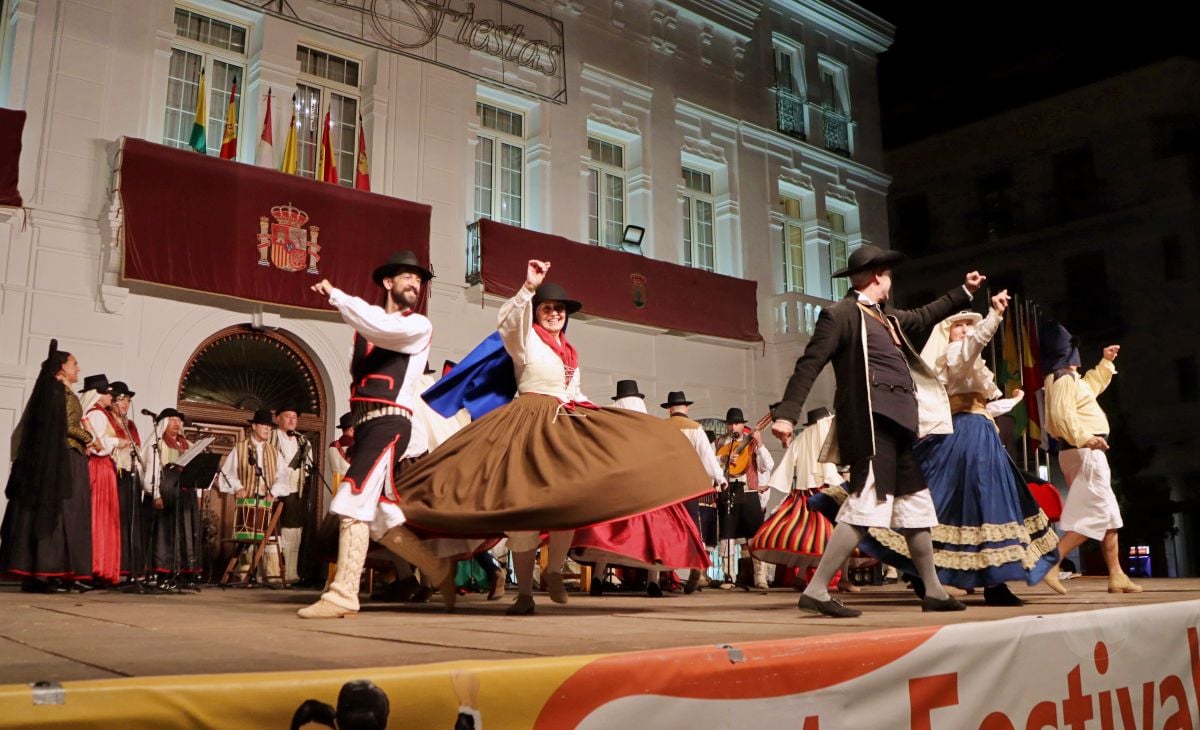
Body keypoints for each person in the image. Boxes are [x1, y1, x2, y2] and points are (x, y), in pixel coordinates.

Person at [394, 260, 713, 616]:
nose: (554, 314)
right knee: (525, 507)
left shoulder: (570, 352)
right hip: (527, 424)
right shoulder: (525, 338)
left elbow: (572, 389)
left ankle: (555, 571)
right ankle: (526, 592)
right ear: (537, 312)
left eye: (559, 310)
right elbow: (508, 321)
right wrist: (528, 288)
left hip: (563, 422)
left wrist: (599, 418)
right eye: (547, 309)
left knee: (569, 503)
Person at [771, 243, 983, 617]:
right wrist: (787, 414)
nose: (891, 282)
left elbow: (926, 314)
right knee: (866, 501)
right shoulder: (840, 315)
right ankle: (817, 589)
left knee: (916, 506)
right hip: (870, 424)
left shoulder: (889, 318)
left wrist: (963, 292)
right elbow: (809, 364)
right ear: (876, 277)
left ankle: (932, 590)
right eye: (888, 275)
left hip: (899, 425)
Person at [856, 294, 1062, 605]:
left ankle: (982, 581)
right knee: (977, 503)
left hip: (980, 432)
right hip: (966, 435)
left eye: (969, 324)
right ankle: (976, 582)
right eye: (958, 325)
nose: (965, 329)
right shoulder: (955, 353)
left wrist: (1013, 401)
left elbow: (981, 404)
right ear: (947, 334)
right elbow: (970, 355)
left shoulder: (970, 362)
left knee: (971, 505)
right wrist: (993, 316)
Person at [299, 250, 456, 619]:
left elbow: (381, 328)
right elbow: (371, 328)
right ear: (388, 282)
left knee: (352, 497)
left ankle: (343, 595)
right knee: (381, 515)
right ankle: (438, 571)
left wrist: (337, 295)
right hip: (369, 425)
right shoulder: (363, 329)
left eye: (419, 280)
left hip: (390, 424)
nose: (415, 284)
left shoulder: (416, 326)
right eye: (407, 277)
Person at [570, 380, 712, 598]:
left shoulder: (611, 428)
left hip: (617, 489)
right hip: (651, 490)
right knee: (654, 536)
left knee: (607, 533)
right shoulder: (655, 428)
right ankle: (652, 582)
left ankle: (598, 579)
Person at [1041, 321, 1140, 594]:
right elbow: (1062, 417)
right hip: (1084, 451)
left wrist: (1106, 363)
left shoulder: (1070, 379)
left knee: (1108, 515)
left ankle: (1117, 574)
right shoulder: (1062, 377)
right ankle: (1051, 563)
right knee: (1096, 514)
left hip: (1085, 450)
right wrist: (1086, 438)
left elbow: (1089, 389)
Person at [0, 341, 94, 592]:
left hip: (58, 457)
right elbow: (65, 427)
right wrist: (89, 438)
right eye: (74, 364)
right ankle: (43, 572)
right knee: (58, 513)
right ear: (61, 368)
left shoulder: (54, 391)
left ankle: (44, 573)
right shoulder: (57, 393)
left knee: (56, 514)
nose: (78, 368)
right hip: (62, 459)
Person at [659, 390, 727, 593]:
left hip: (666, 487)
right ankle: (696, 566)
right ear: (686, 408)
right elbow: (708, 458)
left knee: (667, 528)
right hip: (689, 486)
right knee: (691, 526)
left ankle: (665, 573)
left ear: (669, 409)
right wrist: (720, 478)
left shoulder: (661, 428)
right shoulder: (696, 428)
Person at [713, 408, 774, 589]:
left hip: (749, 491)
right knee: (727, 534)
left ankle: (760, 575)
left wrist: (760, 444)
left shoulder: (752, 443)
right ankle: (728, 575)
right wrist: (723, 458)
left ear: (742, 424)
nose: (733, 426)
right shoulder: (720, 442)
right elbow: (710, 463)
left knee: (753, 534)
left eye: (737, 423)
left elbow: (768, 465)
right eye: (730, 423)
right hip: (728, 491)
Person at [141, 408, 202, 586]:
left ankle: (183, 573)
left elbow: (196, 472)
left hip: (185, 496)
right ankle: (163, 573)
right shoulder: (157, 443)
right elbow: (151, 469)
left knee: (185, 535)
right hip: (166, 494)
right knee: (165, 536)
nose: (176, 424)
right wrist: (155, 494)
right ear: (163, 423)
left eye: (178, 420)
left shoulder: (187, 445)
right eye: (172, 420)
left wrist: (197, 494)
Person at [80, 374, 122, 585]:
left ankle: (100, 566)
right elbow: (98, 446)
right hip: (100, 468)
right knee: (100, 515)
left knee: (104, 516)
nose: (111, 397)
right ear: (98, 395)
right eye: (107, 393)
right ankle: (96, 566)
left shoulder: (99, 414)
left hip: (104, 468)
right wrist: (117, 441)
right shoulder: (96, 414)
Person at [104, 382, 146, 582]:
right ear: (112, 401)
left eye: (128, 400)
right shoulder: (106, 419)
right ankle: (114, 567)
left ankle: (130, 569)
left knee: (132, 522)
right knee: (116, 521)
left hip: (130, 474)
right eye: (121, 399)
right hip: (114, 473)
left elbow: (136, 448)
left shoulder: (130, 425)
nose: (125, 404)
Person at [271, 406, 310, 584]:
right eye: (288, 416)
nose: (292, 420)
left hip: (294, 491)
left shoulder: (302, 441)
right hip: (273, 489)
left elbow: (307, 468)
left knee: (293, 531)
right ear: (278, 418)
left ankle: (291, 573)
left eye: (294, 417)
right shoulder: (271, 436)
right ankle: (270, 573)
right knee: (272, 532)